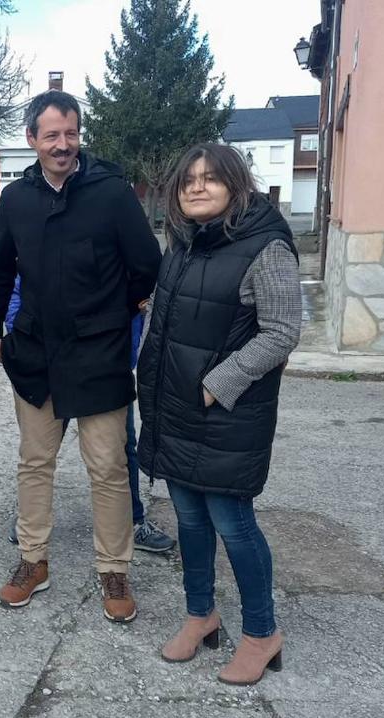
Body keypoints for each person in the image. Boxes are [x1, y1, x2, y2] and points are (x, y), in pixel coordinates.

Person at [0, 89, 160, 622]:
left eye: (71, 133)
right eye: (51, 135)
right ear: (31, 139)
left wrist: (113, 312)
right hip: (35, 351)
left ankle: (114, 568)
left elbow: (147, 264)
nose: (63, 144)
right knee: (35, 462)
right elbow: (1, 270)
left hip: (99, 353)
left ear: (80, 135)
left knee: (107, 466)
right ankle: (33, 562)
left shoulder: (111, 192)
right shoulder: (16, 199)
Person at [136, 142, 302, 686]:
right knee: (187, 517)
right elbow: (162, 320)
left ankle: (261, 633)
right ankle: (201, 615)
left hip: (227, 411)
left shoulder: (265, 245)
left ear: (236, 184)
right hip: (175, 405)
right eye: (188, 180)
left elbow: (281, 332)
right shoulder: (183, 243)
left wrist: (218, 383)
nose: (197, 187)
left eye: (210, 178)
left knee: (233, 523)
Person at [4, 279, 175, 553]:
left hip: (103, 363)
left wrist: (126, 350)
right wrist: (22, 342)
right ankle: (30, 521)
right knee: (37, 453)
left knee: (118, 452)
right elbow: (17, 291)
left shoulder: (119, 240)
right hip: (49, 365)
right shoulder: (41, 238)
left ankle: (131, 521)